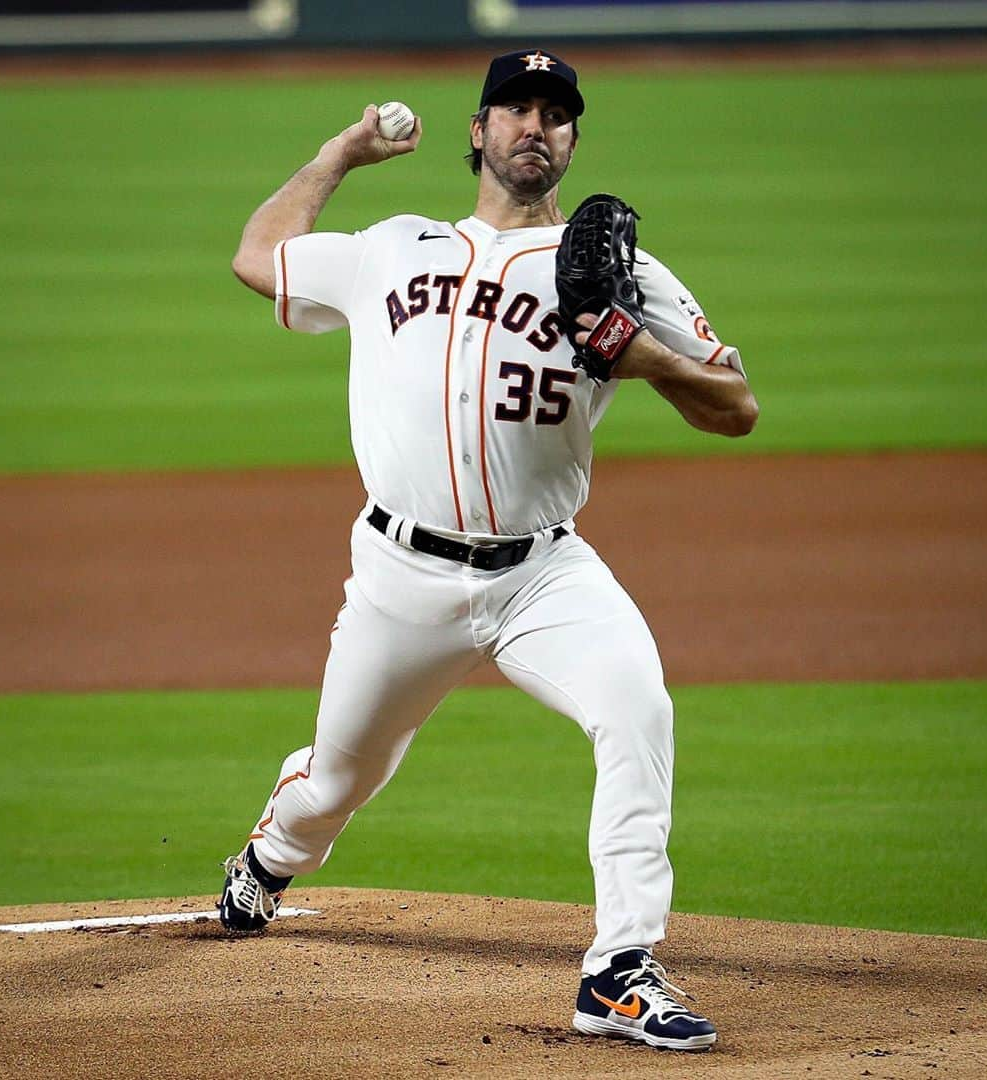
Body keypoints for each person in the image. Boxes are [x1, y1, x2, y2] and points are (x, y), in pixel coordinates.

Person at [220, 48, 758, 1053]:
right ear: (478, 132)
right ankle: (271, 856)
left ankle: (620, 971)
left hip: (543, 575)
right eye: (515, 109)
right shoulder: (395, 250)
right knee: (337, 779)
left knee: (636, 705)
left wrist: (630, 350)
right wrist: (341, 152)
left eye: (556, 115)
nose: (534, 127)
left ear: (573, 143)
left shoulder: (623, 276)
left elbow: (738, 408)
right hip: (400, 581)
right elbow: (259, 256)